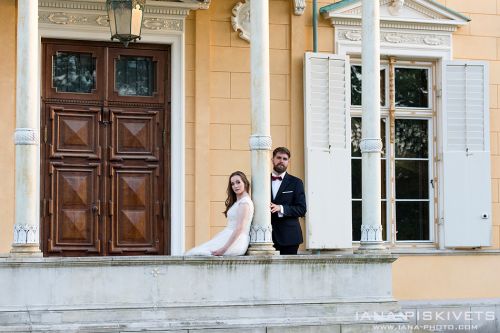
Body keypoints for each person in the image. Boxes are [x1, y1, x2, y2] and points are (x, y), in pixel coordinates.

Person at [185, 171, 254, 256]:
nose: (235, 186)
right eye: (232, 184)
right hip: (228, 236)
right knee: (193, 253)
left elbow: (239, 228)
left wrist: (223, 249)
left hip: (237, 241)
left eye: (238, 182)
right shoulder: (238, 202)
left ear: (245, 183)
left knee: (198, 253)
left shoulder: (244, 203)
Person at [270, 147, 307, 255]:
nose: (281, 161)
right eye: (278, 157)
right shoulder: (263, 181)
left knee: (288, 272)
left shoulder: (296, 182)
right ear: (272, 159)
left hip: (289, 237)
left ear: (288, 162)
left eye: (285, 159)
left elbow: (302, 209)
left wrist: (280, 208)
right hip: (266, 238)